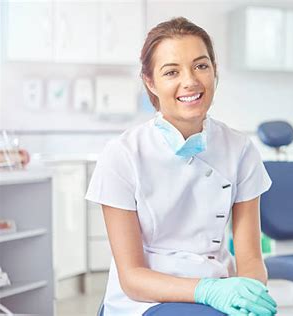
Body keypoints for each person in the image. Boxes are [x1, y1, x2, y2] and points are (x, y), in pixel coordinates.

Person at [86, 17, 277, 316]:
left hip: (219, 285)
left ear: (214, 71)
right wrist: (204, 290)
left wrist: (249, 292)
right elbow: (132, 277)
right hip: (145, 299)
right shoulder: (122, 155)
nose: (190, 81)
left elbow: (251, 257)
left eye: (201, 66)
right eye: (171, 71)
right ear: (150, 81)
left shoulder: (240, 149)